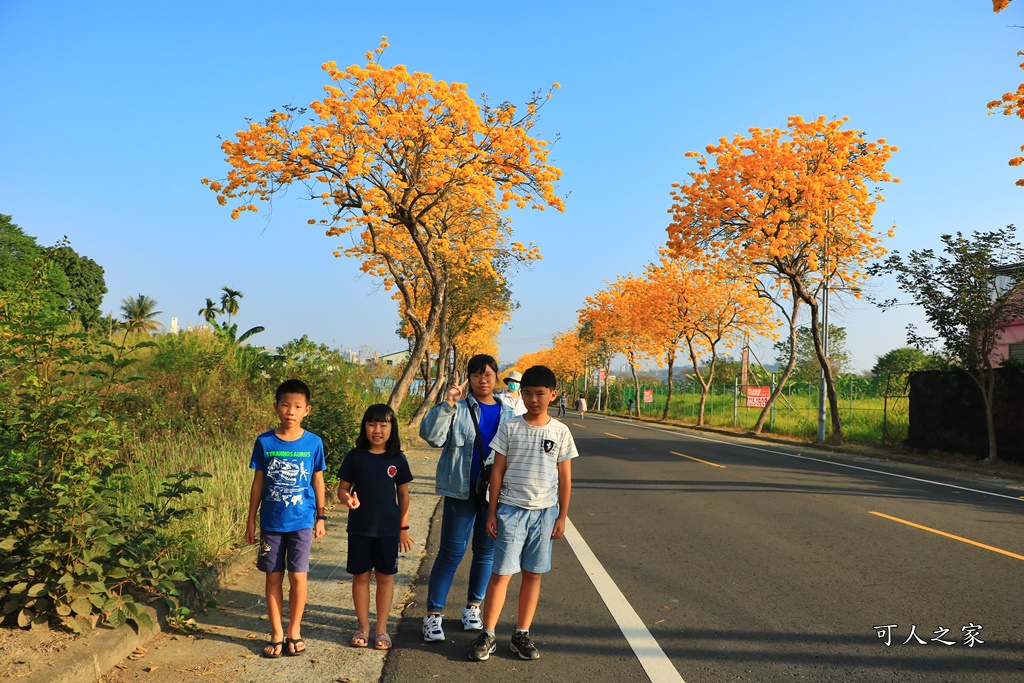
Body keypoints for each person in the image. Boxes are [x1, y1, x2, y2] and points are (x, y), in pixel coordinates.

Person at [468, 365, 578, 662]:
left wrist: (561, 516)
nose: (533, 400)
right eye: (527, 393)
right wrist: (492, 512)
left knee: (532, 574)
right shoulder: (510, 427)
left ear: (552, 395)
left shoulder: (561, 431)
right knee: (501, 573)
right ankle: (487, 633)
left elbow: (565, 478)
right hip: (511, 511)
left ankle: (521, 634)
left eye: (540, 394)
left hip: (544, 514)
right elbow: (498, 471)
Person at [419, 354, 516, 642]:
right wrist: (448, 402)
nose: (482, 380)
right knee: (451, 552)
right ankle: (433, 615)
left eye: (487, 374)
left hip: (493, 495)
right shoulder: (457, 408)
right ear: (469, 378)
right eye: (476, 375)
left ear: (496, 376)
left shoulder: (508, 414)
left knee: (485, 553)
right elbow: (433, 437)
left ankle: (473, 608)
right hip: (460, 491)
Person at [245, 379, 327, 658]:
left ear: (307, 410)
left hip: (302, 521)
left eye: (297, 406)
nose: (290, 411)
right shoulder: (265, 441)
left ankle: (294, 629)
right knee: (272, 577)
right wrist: (250, 520)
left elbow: (318, 480)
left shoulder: (314, 443)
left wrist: (321, 517)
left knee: (299, 577)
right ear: (277, 407)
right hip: (271, 523)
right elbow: (258, 482)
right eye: (285, 405)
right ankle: (277, 633)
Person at [337, 404, 414, 651]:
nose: (377, 430)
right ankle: (363, 627)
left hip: (388, 530)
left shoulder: (398, 460)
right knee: (360, 577)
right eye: (372, 424)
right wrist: (346, 499)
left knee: (385, 578)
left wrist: (403, 527)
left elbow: (404, 495)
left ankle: (381, 629)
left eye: (383, 425)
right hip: (360, 528)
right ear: (364, 427)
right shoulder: (355, 456)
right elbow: (342, 488)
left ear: (393, 428)